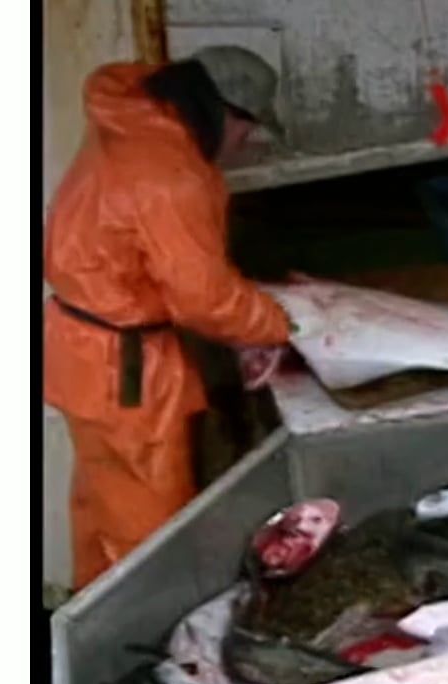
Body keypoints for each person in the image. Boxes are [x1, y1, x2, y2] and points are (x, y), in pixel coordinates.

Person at [44, 46, 293, 589]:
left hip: (78, 345)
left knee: (101, 505)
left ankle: (87, 617)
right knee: (150, 534)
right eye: (248, 129)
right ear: (227, 112)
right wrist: (281, 324)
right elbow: (204, 300)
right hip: (126, 373)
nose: (245, 145)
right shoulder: (170, 172)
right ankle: (145, 653)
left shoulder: (128, 116)